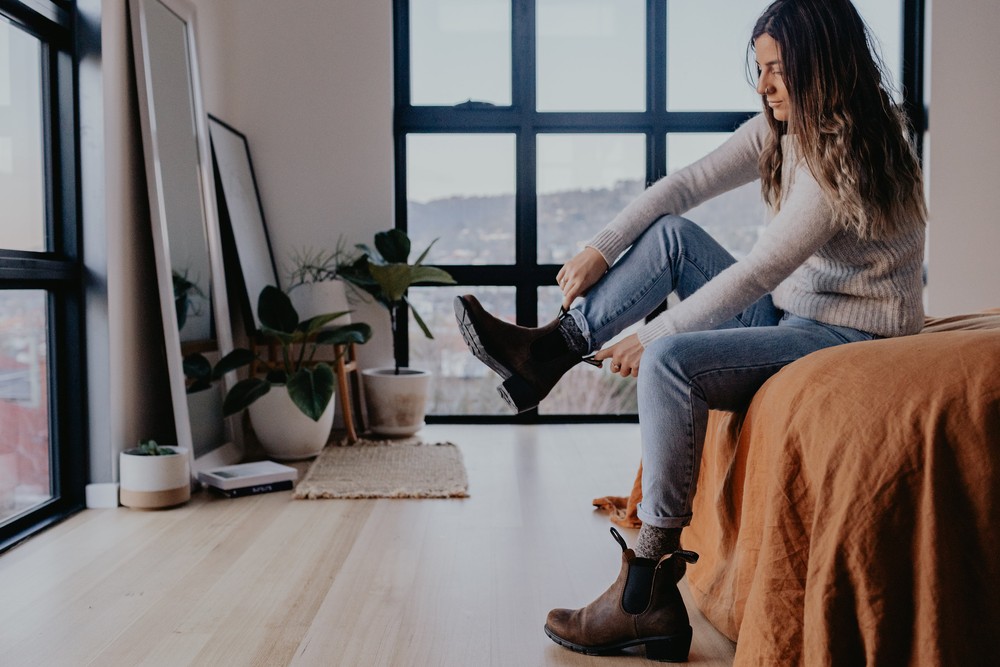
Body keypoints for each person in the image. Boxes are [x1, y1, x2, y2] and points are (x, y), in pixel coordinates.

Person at [453, 0, 926, 661]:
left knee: (670, 361)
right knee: (673, 237)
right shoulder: (789, 128)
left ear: (823, 66)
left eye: (777, 71)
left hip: (846, 334)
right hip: (796, 313)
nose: (763, 87)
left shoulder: (842, 152)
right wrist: (602, 244)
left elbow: (762, 269)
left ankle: (644, 585)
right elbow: (685, 186)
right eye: (759, 70)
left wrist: (651, 337)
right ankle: (550, 348)